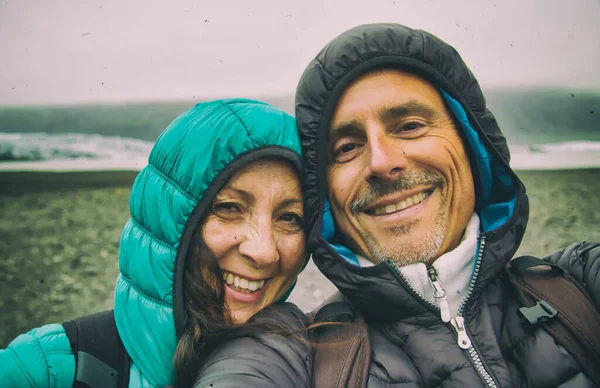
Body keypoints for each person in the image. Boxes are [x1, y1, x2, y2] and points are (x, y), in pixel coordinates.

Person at [292, 23, 600, 387]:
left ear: (473, 147)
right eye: (345, 148)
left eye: (409, 125)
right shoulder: (299, 357)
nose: (381, 162)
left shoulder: (580, 283)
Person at [0, 98, 312, 388]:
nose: (264, 251)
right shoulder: (48, 367)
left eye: (290, 218)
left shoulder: (320, 369)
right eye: (228, 208)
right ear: (168, 222)